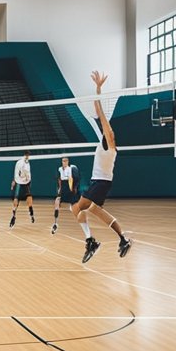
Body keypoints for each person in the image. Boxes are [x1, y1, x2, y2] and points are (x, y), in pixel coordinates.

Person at [73, 71, 132, 263]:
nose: (108, 131)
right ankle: (123, 239)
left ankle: (91, 241)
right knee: (96, 211)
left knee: (77, 208)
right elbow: (99, 115)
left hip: (100, 183)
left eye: (109, 132)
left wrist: (98, 91)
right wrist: (97, 90)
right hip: (100, 182)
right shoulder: (107, 145)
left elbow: (102, 117)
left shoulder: (110, 143)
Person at [51, 156, 81, 234]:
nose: (64, 162)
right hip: (63, 187)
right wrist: (59, 189)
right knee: (57, 202)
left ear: (67, 162)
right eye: (63, 161)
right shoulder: (60, 169)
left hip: (69, 187)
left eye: (65, 161)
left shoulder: (70, 169)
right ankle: (55, 223)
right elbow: (59, 180)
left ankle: (82, 221)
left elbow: (71, 178)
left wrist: (72, 188)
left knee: (75, 207)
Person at [9, 151, 33, 227]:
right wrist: (14, 181)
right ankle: (13, 216)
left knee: (29, 199)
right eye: (26, 155)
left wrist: (28, 180)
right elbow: (16, 172)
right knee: (16, 200)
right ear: (24, 155)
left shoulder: (28, 163)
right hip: (19, 183)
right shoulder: (19, 163)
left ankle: (31, 213)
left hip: (26, 183)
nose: (27, 156)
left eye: (28, 155)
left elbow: (28, 174)